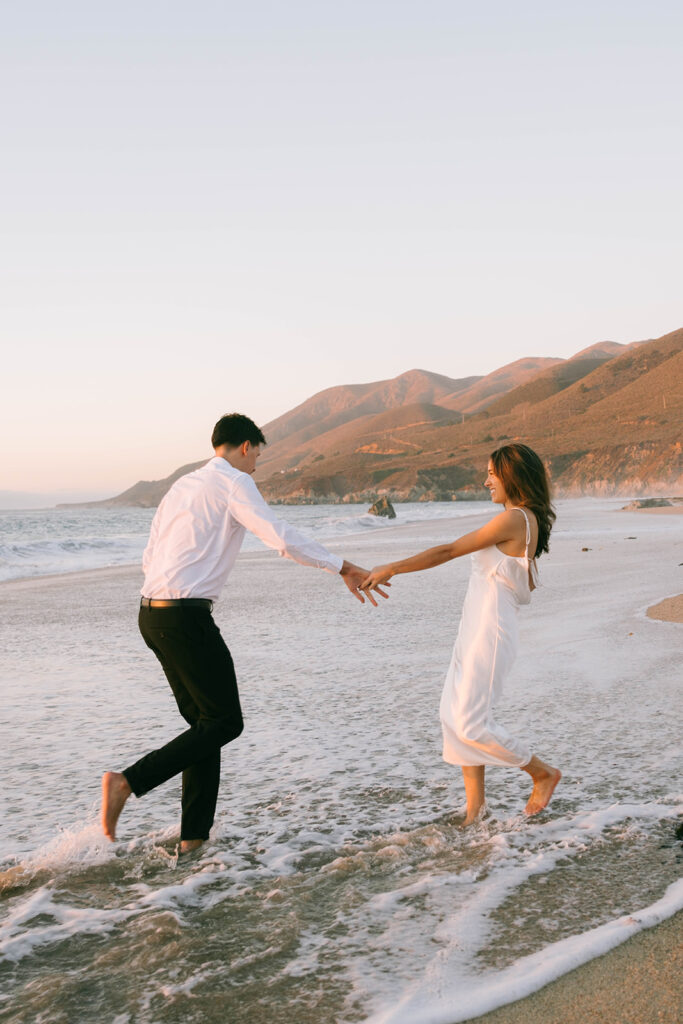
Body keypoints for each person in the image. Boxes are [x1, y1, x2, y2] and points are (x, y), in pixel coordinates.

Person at [101, 413, 388, 853]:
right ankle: (127, 781)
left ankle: (193, 838)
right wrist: (344, 566)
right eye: (258, 456)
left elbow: (151, 552)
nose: (257, 466)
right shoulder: (235, 481)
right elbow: (281, 537)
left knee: (206, 725)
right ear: (247, 446)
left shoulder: (182, 485)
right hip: (185, 617)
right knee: (224, 722)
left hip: (151, 614)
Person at [360, 443, 561, 825]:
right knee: (453, 717)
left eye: (491, 473)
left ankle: (542, 773)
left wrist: (393, 567)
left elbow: (450, 550)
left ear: (512, 476)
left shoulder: (516, 518)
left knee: (471, 722)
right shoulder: (521, 518)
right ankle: (475, 811)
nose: (486, 481)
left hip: (491, 630)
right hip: (475, 626)